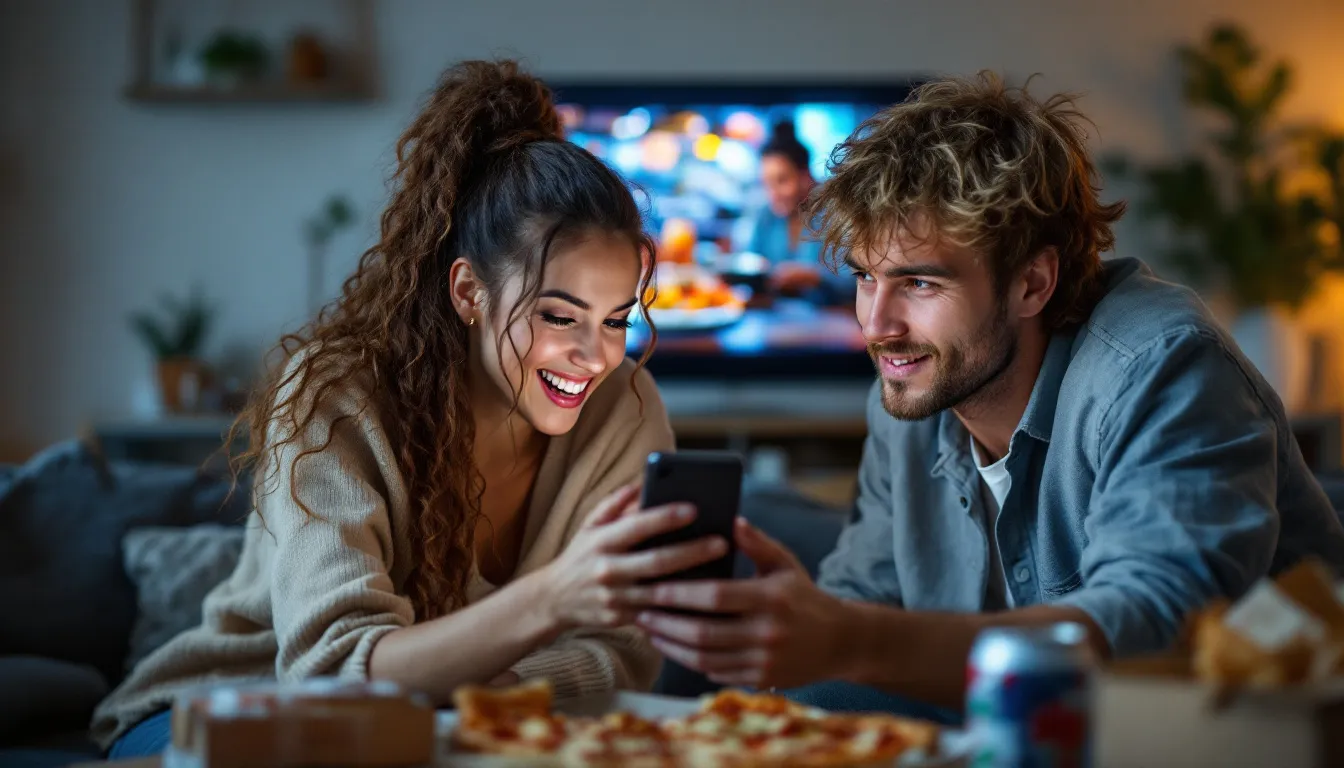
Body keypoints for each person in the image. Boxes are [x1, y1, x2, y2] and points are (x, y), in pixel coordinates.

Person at [630, 73, 1344, 717]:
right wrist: (811, 638)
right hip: (1005, 709)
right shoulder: (909, 391)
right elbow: (871, 593)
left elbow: (1152, 630)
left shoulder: (1161, 366)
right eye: (863, 278)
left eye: (919, 282)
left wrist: (845, 641)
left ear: (1033, 282)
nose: (875, 326)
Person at [92, 60, 729, 758]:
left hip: (456, 726)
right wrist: (551, 599)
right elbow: (329, 673)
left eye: (615, 320)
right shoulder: (336, 394)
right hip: (223, 709)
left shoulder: (625, 408)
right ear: (468, 292)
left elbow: (616, 653)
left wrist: (474, 692)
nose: (597, 356)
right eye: (558, 315)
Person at [746, 121, 851, 304]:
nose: (773, 194)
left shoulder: (838, 213)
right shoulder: (766, 215)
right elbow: (750, 262)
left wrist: (814, 277)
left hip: (830, 320)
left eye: (782, 181)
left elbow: (855, 282)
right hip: (779, 320)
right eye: (767, 184)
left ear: (805, 176)